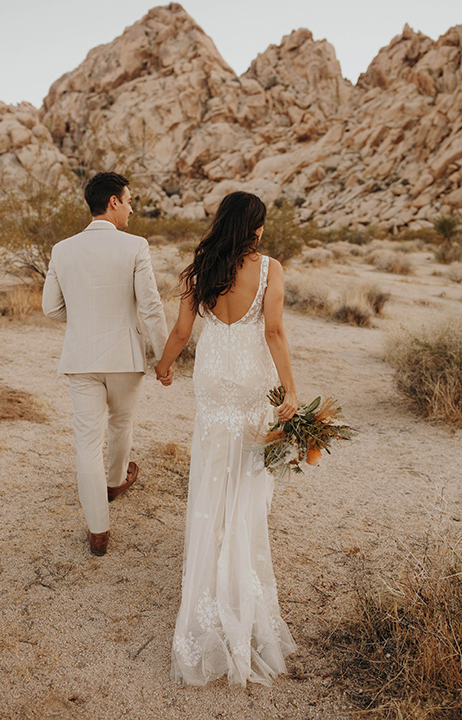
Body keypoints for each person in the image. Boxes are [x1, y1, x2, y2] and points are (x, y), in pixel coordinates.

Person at [155, 191, 297, 686]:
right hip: (252, 383)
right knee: (250, 485)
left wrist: (164, 366)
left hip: (214, 382)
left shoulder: (201, 265)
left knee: (211, 477)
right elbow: (274, 331)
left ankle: (210, 578)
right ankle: (240, 583)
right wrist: (292, 391)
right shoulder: (270, 268)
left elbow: (180, 331)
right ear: (254, 227)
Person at [42, 172, 171, 556]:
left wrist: (83, 319)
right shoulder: (136, 246)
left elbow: (51, 308)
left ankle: (98, 532)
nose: (131, 208)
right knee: (121, 425)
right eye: (129, 200)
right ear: (113, 202)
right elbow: (150, 307)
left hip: (81, 357)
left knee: (86, 441)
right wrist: (164, 359)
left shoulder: (62, 249)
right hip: (124, 356)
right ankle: (115, 483)